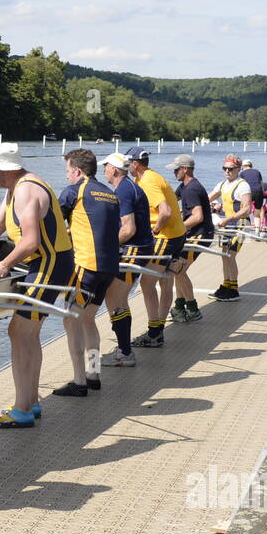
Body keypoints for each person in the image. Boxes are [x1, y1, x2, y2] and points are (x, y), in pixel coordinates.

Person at [0, 142, 73, 428]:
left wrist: (4, 263)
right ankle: (31, 402)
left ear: (4, 170)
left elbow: (30, 241)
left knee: (18, 331)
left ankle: (22, 410)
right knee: (27, 334)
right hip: (44, 263)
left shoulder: (26, 191)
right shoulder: (15, 188)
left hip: (49, 263)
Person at [53, 148, 121, 396]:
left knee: (70, 319)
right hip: (110, 267)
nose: (67, 177)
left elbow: (52, 226)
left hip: (86, 267)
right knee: (89, 319)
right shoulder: (109, 193)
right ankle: (94, 374)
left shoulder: (74, 191)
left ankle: (79, 381)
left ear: (78, 171)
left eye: (68, 172)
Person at [123, 145, 184, 347]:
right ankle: (158, 330)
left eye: (127, 164)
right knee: (165, 282)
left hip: (164, 237)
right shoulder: (154, 176)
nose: (126, 168)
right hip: (177, 235)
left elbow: (164, 212)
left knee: (146, 283)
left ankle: (154, 332)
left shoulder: (147, 182)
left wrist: (154, 231)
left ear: (135, 164)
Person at [99, 152, 151, 366]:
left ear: (114, 169)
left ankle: (125, 353)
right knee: (116, 298)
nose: (104, 171)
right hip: (139, 247)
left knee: (114, 297)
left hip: (134, 249)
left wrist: (105, 248)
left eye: (106, 167)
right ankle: (124, 349)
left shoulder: (123, 192)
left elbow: (128, 229)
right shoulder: (128, 187)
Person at [168, 153, 212, 321]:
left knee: (178, 269)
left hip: (201, 234)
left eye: (176, 170)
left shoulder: (192, 189)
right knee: (176, 268)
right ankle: (179, 308)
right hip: (192, 233)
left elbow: (198, 216)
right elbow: (172, 199)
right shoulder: (184, 186)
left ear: (185, 169)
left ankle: (193, 310)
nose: (174, 173)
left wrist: (177, 227)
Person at [208, 154, 253, 301]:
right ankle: (226, 285)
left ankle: (233, 290)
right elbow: (206, 199)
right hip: (227, 224)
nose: (227, 171)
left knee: (230, 255)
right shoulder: (222, 185)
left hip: (239, 224)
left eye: (231, 169)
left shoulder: (243, 185)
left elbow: (246, 209)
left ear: (238, 169)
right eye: (225, 168)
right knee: (224, 255)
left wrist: (229, 219)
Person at [240, 158, 267, 234]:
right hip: (259, 192)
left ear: (243, 166)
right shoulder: (257, 171)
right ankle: (257, 232)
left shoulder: (242, 174)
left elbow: (240, 185)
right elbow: (262, 184)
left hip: (249, 192)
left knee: (244, 211)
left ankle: (243, 230)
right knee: (257, 215)